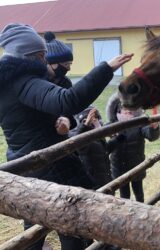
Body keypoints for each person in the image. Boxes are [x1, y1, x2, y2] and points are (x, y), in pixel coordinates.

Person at [0, 23, 133, 250]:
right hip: (48, 164)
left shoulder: (10, 83)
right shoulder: (24, 83)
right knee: (71, 221)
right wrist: (106, 68)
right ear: (27, 56)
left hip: (26, 160)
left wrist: (66, 121)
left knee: (34, 224)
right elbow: (68, 100)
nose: (43, 59)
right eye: (40, 55)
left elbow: (47, 115)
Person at [106, 93, 160, 202]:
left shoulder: (139, 123)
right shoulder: (112, 125)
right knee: (124, 195)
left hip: (136, 166)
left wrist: (154, 128)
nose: (126, 112)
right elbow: (105, 143)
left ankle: (142, 209)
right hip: (119, 167)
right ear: (117, 111)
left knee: (139, 194)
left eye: (129, 110)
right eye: (123, 109)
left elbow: (151, 136)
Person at [70, 106, 112, 188]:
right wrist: (85, 125)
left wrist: (117, 139)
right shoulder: (76, 135)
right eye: (91, 118)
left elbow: (104, 151)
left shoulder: (97, 134)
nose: (94, 120)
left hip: (105, 178)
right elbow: (78, 145)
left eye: (96, 118)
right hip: (93, 182)